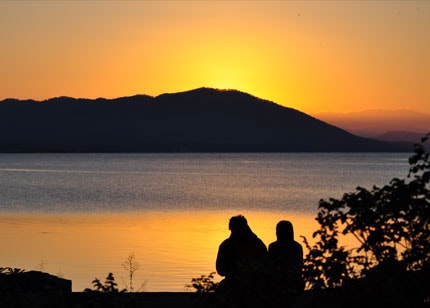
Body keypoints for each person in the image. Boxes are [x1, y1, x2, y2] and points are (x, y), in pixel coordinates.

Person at [215, 215, 267, 300]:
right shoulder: (258, 243)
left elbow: (220, 270)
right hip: (254, 285)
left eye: (233, 230)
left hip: (241, 284)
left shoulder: (226, 245)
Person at [268, 220, 304, 295]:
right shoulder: (297, 246)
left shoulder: (273, 247)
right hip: (294, 281)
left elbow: (270, 266)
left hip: (282, 282)